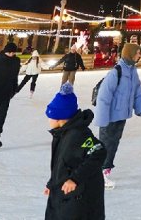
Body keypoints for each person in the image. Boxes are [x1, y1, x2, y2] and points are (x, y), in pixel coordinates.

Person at [44, 82, 106, 219]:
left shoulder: (79, 134)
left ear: (59, 118)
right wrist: (52, 183)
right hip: (65, 191)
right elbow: (61, 163)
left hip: (79, 197)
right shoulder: (62, 133)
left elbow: (98, 151)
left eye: (50, 116)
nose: (48, 120)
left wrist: (75, 179)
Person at [95, 43, 141, 189]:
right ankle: (100, 175)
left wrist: (140, 108)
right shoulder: (116, 72)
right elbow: (103, 97)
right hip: (109, 117)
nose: (139, 55)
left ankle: (104, 172)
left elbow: (137, 91)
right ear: (130, 53)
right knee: (106, 145)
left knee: (113, 145)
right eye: (138, 53)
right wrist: (102, 119)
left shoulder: (132, 71)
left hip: (121, 115)